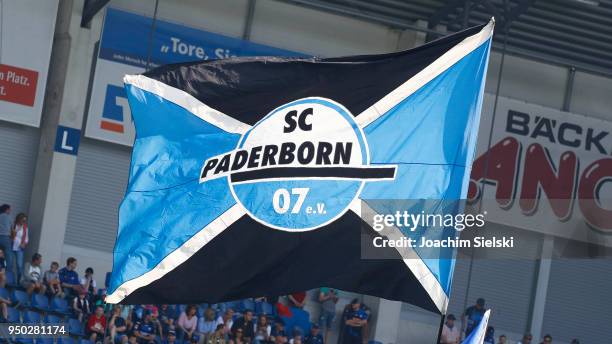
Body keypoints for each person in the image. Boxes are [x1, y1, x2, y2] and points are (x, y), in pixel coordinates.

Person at [11, 213, 28, 282]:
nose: (24, 222)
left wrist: (24, 244)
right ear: (19, 219)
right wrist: (16, 230)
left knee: (19, 265)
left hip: (20, 248)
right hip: (11, 246)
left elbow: (26, 238)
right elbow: (11, 235)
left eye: (25, 221)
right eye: (23, 220)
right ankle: (11, 280)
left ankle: (18, 280)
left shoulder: (25, 227)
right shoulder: (13, 225)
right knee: (11, 264)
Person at [0, 205, 13, 275]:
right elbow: (12, 229)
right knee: (8, 256)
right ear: (6, 210)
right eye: (10, 210)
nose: (10, 211)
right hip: (6, 238)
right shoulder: (8, 217)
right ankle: (8, 273)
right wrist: (11, 238)